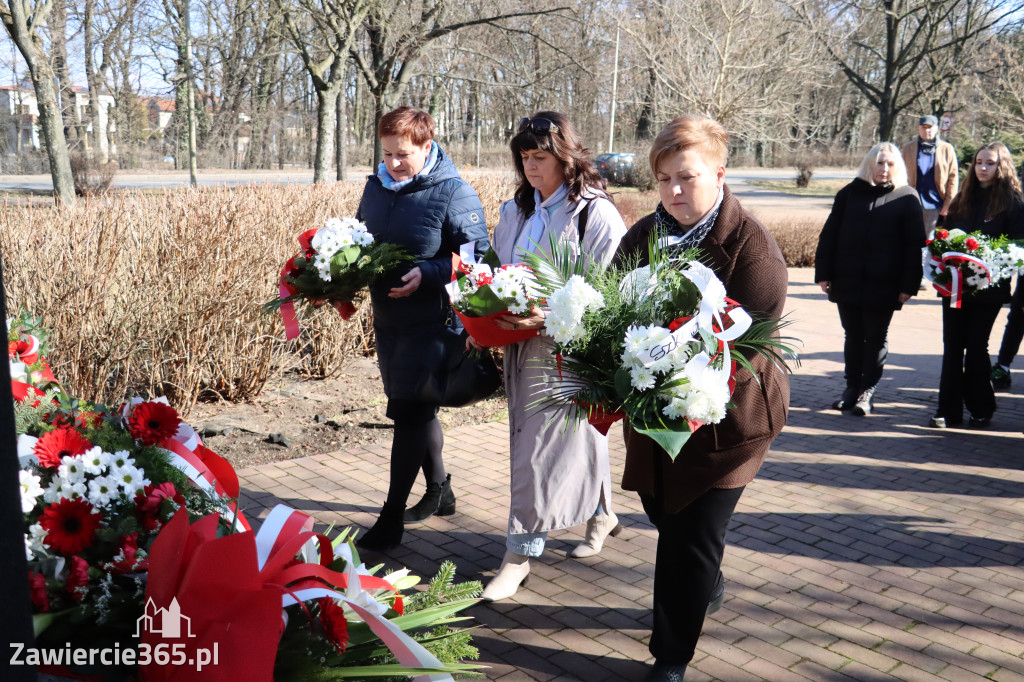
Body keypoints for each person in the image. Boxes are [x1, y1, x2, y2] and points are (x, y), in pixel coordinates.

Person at [611, 115, 790, 681]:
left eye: (686, 177)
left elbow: (747, 344)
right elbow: (612, 310)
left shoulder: (751, 246)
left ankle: (671, 656)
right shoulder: (643, 236)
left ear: (718, 171)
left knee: (690, 530)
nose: (674, 192)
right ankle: (705, 580)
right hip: (654, 413)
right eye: (663, 180)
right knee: (661, 509)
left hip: (727, 418)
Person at [472, 111, 627, 602]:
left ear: (566, 157)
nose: (530, 166)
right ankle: (602, 513)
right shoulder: (517, 209)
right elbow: (498, 272)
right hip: (518, 345)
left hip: (568, 351)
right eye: (524, 157)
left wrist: (549, 319)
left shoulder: (594, 213)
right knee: (564, 438)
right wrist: (479, 316)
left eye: (539, 157)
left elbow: (610, 295)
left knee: (541, 449)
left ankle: (519, 554)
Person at [353, 106, 490, 551]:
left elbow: (478, 259)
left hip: (434, 323)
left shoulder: (454, 192)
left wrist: (429, 274)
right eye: (388, 152)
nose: (394, 163)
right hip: (390, 322)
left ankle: (390, 519)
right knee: (414, 406)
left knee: (410, 413)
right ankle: (440, 491)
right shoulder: (376, 187)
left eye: (404, 153)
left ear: (427, 147)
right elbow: (361, 240)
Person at [814, 143, 925, 416]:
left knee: (875, 338)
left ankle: (867, 391)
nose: (884, 169)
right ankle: (851, 387)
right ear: (869, 164)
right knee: (852, 335)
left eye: (889, 164)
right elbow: (829, 235)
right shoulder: (849, 194)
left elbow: (915, 246)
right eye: (879, 163)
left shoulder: (907, 198)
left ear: (896, 166)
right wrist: (824, 273)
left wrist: (909, 285)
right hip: (847, 278)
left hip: (885, 283)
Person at [929, 142, 1024, 429]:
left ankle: (981, 407)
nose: (983, 167)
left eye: (990, 163)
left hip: (989, 289)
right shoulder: (961, 198)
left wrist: (988, 262)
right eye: (979, 162)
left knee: (976, 345)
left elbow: (1018, 249)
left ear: (1002, 166)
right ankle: (947, 410)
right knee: (952, 345)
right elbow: (942, 235)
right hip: (955, 287)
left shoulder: (1013, 202)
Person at [901, 115, 958, 238]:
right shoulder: (908, 148)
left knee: (929, 240)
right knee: (910, 237)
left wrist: (948, 204)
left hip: (935, 203)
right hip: (912, 201)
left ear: (936, 128)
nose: (927, 130)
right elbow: (899, 173)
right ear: (918, 128)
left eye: (930, 127)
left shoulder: (947, 149)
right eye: (924, 127)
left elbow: (953, 178)